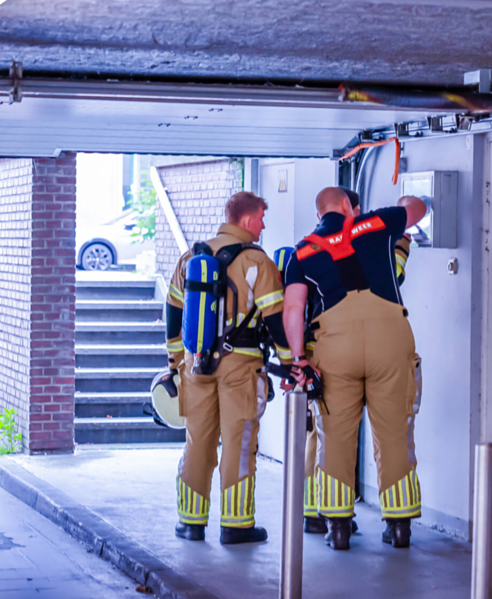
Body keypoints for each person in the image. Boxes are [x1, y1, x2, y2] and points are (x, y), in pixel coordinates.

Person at [283, 187, 426, 550]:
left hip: (336, 349)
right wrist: (401, 204)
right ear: (348, 206)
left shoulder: (303, 252)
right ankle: (399, 527)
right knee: (394, 432)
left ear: (319, 215)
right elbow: (418, 207)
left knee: (336, 437)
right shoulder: (376, 223)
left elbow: (293, 309)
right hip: (390, 343)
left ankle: (338, 528)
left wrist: (299, 359)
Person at [166, 191, 292, 545]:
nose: (264, 225)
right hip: (241, 365)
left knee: (197, 441)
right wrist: (290, 361)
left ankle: (191, 522)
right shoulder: (256, 261)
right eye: (262, 218)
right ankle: (237, 525)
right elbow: (275, 318)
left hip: (196, 364)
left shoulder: (192, 257)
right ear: (249, 220)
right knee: (239, 442)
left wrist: (176, 360)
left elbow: (173, 311)